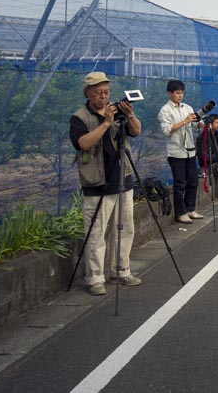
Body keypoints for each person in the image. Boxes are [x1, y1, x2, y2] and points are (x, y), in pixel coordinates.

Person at [69, 72, 143, 296]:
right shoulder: (79, 117)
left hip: (123, 178)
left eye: (107, 92)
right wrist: (107, 123)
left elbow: (136, 131)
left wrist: (129, 115)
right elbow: (82, 143)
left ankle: (121, 270)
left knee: (125, 227)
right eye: (99, 93)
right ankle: (95, 277)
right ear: (88, 93)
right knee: (97, 233)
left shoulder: (117, 109)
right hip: (97, 183)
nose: (104, 96)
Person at [158, 79, 203, 224]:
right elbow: (167, 130)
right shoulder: (165, 110)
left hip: (190, 151)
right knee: (180, 183)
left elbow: (194, 124)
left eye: (182, 93)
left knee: (193, 181)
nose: (180, 96)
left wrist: (199, 124)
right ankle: (180, 212)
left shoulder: (187, 107)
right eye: (177, 93)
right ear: (169, 93)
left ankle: (190, 209)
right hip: (176, 152)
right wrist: (185, 121)